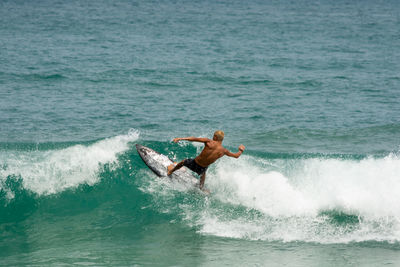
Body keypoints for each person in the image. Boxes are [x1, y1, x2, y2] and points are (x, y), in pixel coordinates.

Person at [167, 130, 245, 190]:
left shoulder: (209, 142)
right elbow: (236, 156)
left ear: (215, 137)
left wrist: (180, 138)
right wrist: (240, 150)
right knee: (203, 174)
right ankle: (201, 188)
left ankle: (170, 171)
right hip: (202, 169)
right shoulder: (224, 151)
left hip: (194, 164)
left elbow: (194, 139)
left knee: (183, 162)